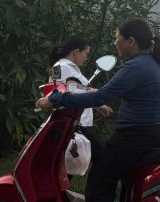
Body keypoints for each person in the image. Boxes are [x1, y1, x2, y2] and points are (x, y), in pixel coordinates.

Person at [36, 19, 160, 202]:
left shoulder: (135, 66)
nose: (114, 42)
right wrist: (92, 98)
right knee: (126, 180)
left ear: (130, 41)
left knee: (98, 186)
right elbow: (106, 93)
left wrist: (56, 99)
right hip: (156, 132)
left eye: (117, 37)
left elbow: (101, 96)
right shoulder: (157, 63)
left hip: (134, 137)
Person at [47, 35, 112, 168]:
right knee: (102, 158)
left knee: (69, 162)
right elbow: (55, 92)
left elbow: (76, 91)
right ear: (76, 51)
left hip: (78, 124)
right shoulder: (61, 67)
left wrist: (97, 105)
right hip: (75, 124)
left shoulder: (66, 68)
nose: (86, 58)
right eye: (86, 53)